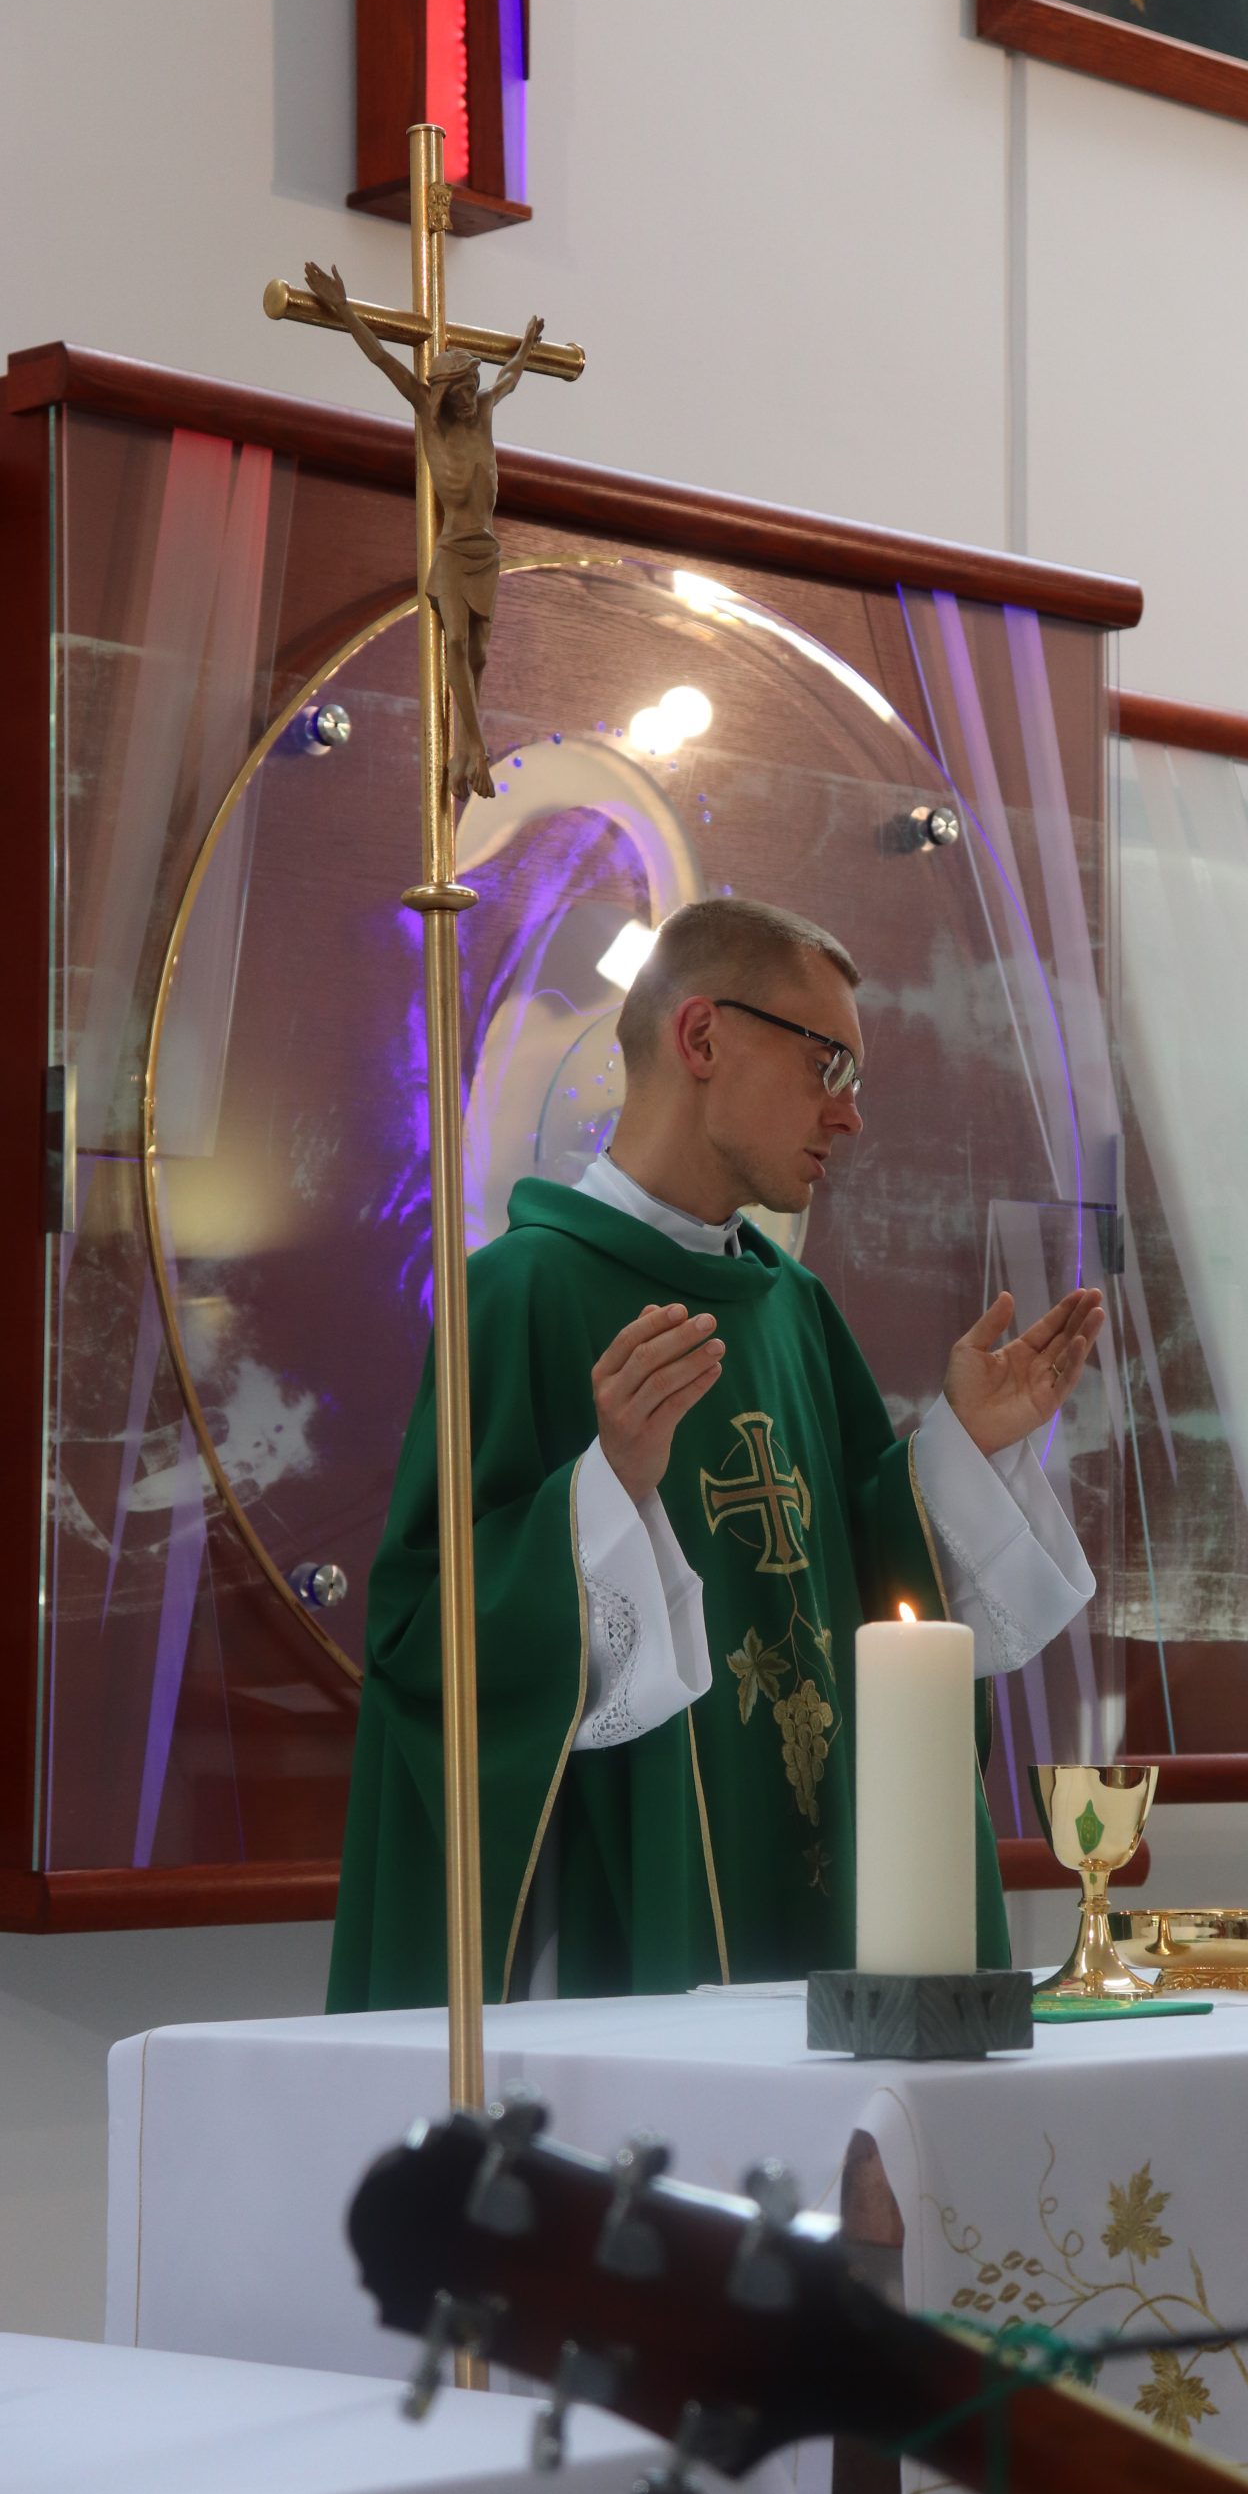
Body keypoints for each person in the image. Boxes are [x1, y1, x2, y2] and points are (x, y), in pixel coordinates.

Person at [329, 898, 1102, 2010]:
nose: (849, 1115)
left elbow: (853, 1582)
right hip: (620, 1916)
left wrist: (960, 1451)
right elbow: (428, 1650)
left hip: (818, 1874)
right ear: (701, 1037)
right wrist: (606, 1494)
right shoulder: (522, 1294)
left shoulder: (792, 1307)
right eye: (828, 1064)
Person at [302, 259, 543, 801]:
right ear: (443, 393)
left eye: (473, 386)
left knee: (478, 655)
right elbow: (383, 358)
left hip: (486, 550)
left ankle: (461, 751)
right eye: (462, 389)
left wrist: (527, 347)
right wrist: (342, 308)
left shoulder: (485, 412)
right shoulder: (429, 420)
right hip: (453, 549)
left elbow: (508, 379)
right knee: (454, 640)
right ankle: (476, 747)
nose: (470, 396)